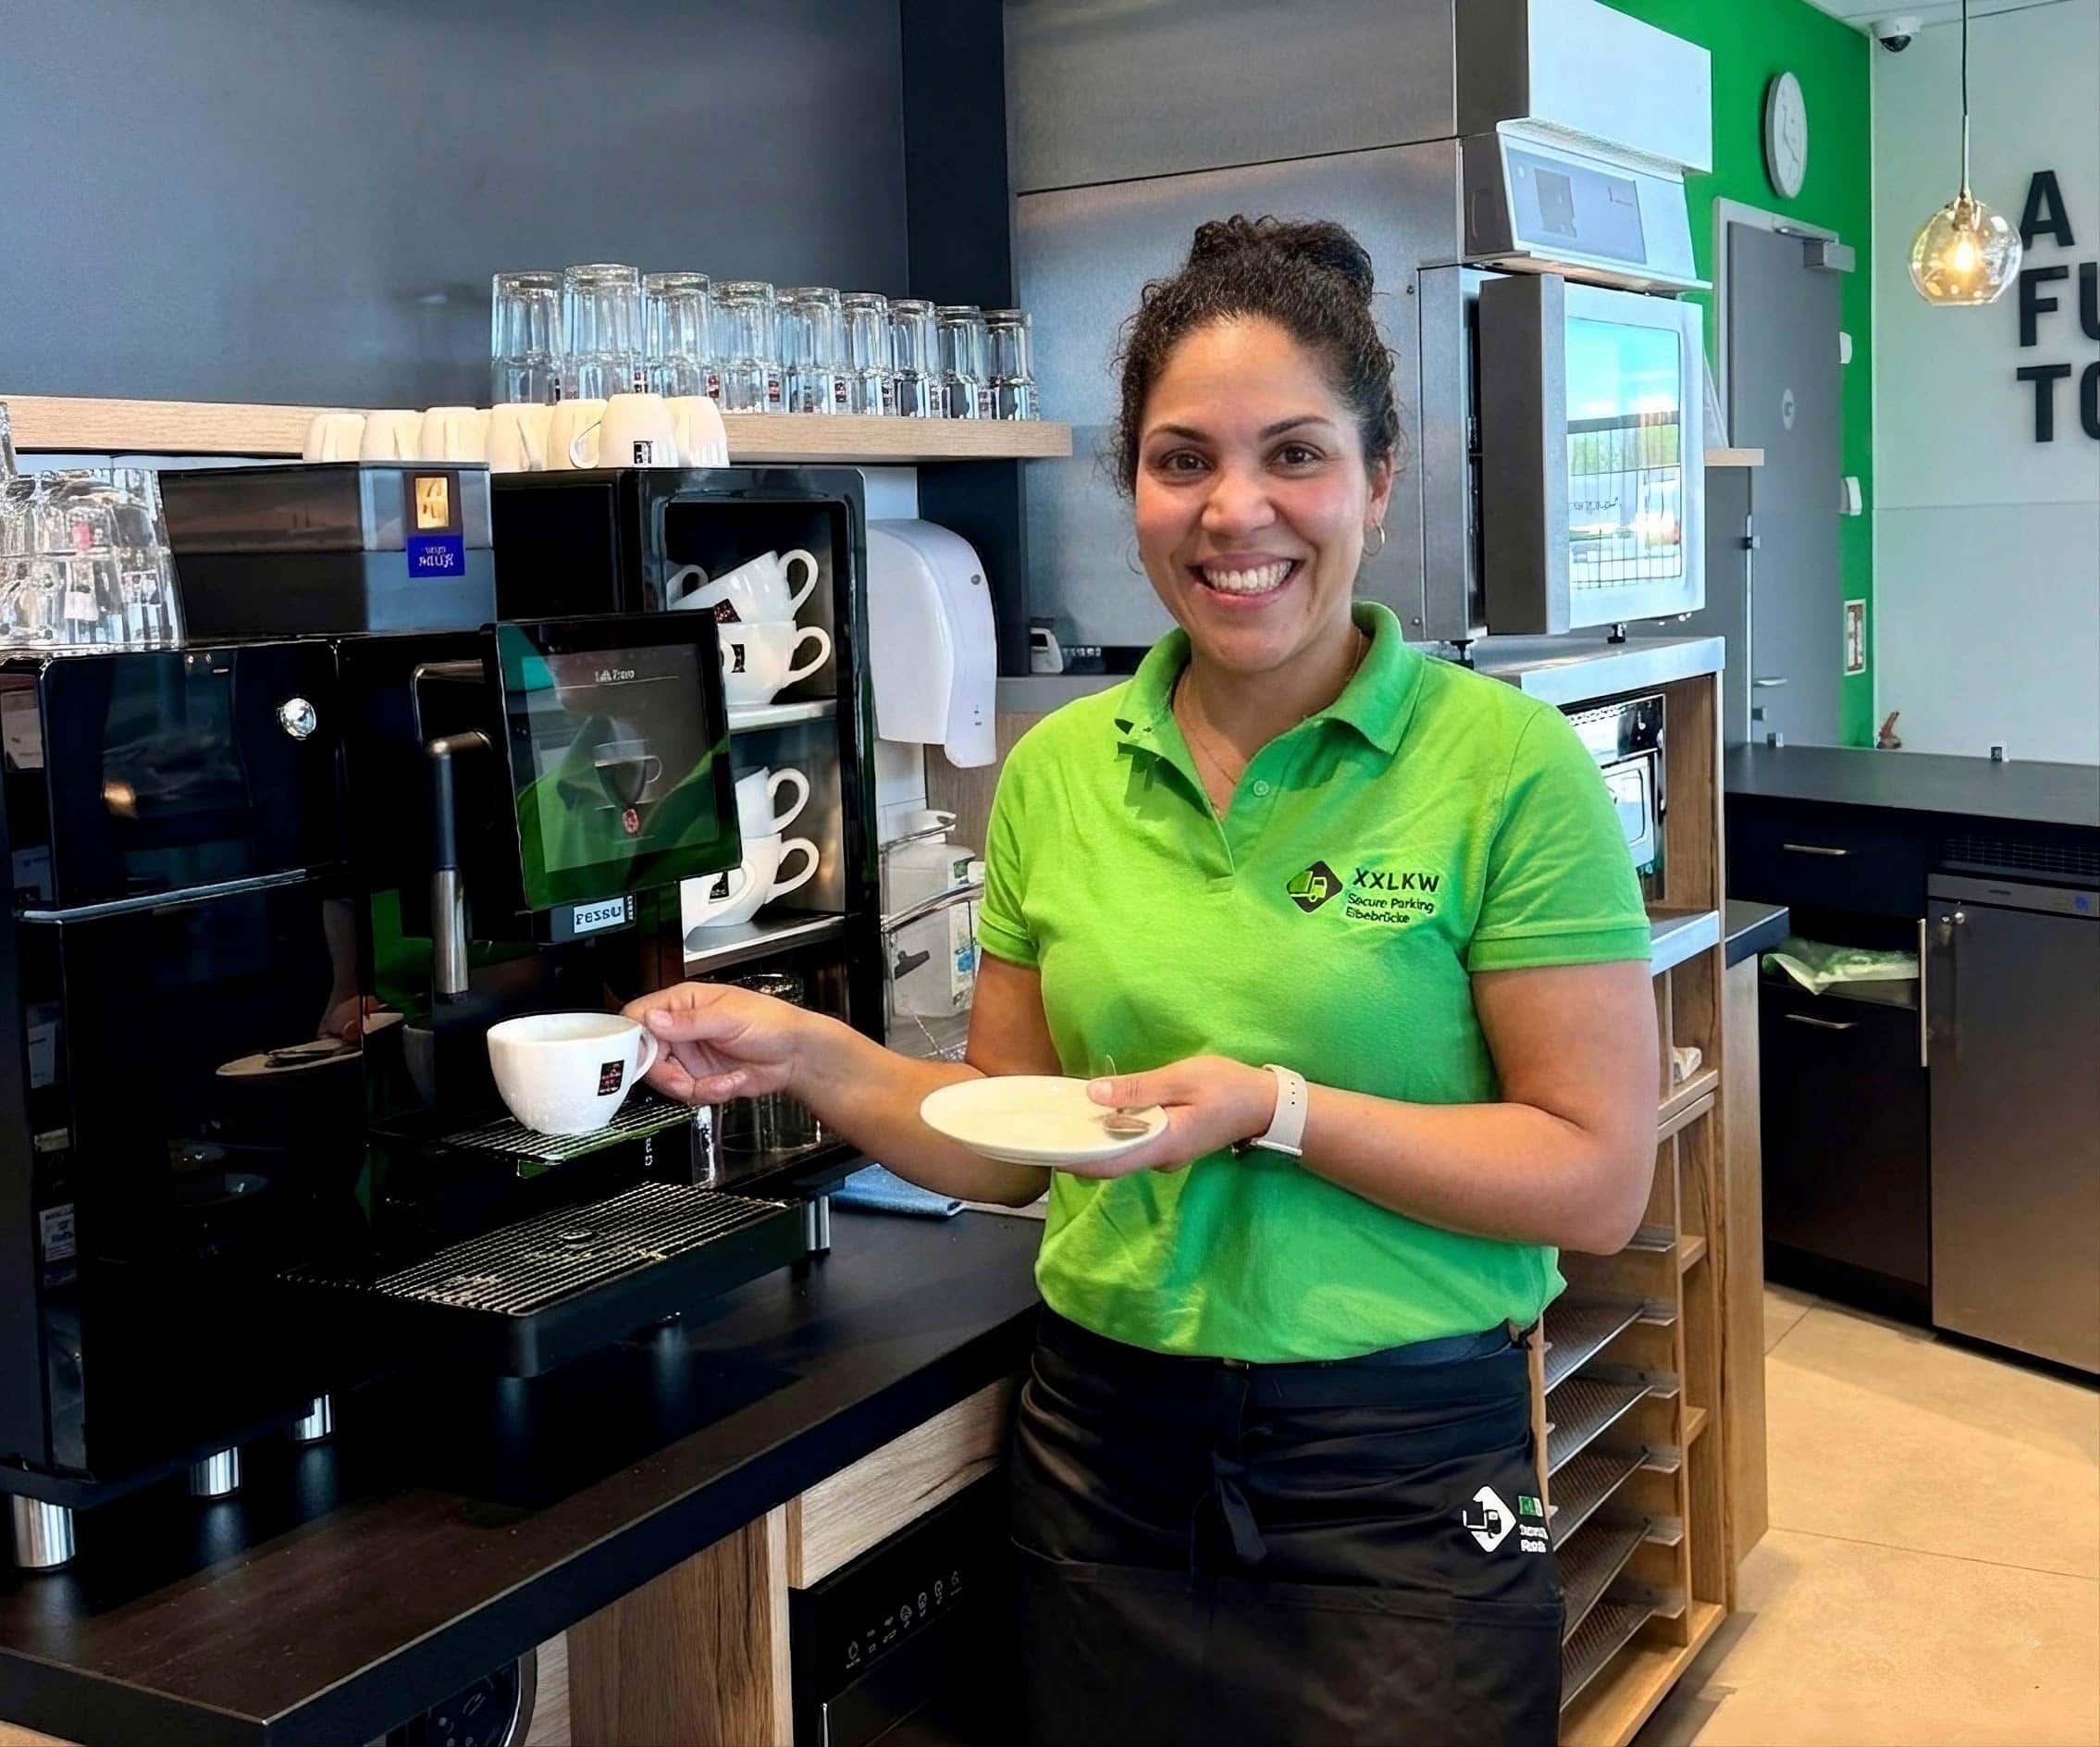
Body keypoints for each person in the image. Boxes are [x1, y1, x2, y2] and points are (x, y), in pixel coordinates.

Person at [624, 215, 1658, 1746]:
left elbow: (1591, 1179)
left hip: (1395, 1467)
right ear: (1132, 492)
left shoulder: (1501, 770)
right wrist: (812, 1055)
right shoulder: (1057, 778)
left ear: (1379, 479)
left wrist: (1273, 1108)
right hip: (1101, 1447)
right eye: (1182, 461)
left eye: (1293, 454)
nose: (1235, 512)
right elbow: (1011, 1133)